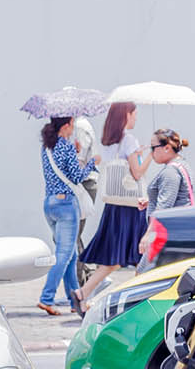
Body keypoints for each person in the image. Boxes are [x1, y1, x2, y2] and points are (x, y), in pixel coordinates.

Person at [78, 101, 149, 303]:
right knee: (140, 255)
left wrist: (136, 155)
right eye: (134, 114)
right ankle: (138, 298)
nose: (136, 118)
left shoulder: (108, 141)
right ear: (127, 115)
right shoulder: (130, 140)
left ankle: (82, 293)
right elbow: (136, 173)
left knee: (117, 258)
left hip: (114, 203)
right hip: (131, 205)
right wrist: (150, 156)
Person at [38, 117, 96, 316]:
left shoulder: (47, 147)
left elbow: (61, 170)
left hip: (50, 204)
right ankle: (46, 298)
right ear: (65, 126)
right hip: (65, 206)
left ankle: (75, 301)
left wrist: (75, 152)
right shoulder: (67, 147)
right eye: (72, 124)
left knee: (70, 255)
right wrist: (92, 163)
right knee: (63, 255)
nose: (74, 128)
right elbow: (77, 177)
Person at [144, 129, 195, 212]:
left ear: (167, 148)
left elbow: (162, 211)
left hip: (169, 224)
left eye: (153, 148)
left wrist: (152, 225)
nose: (151, 153)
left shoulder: (170, 171)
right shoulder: (182, 164)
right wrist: (151, 201)